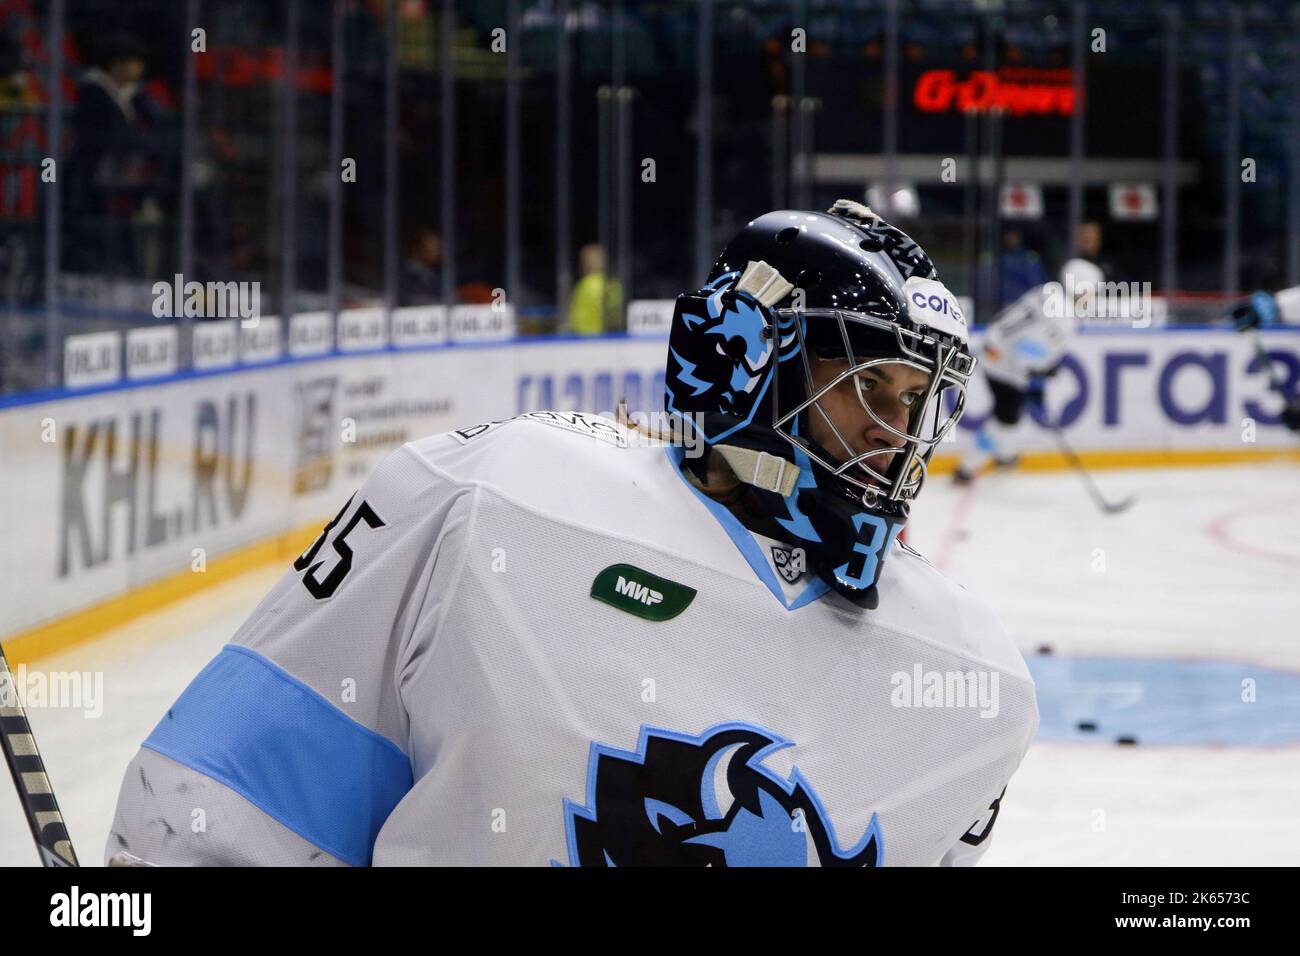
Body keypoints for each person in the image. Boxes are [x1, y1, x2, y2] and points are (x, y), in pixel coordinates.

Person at [105, 200, 1037, 867]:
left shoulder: (975, 684)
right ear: (745, 363)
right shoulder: (494, 500)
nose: (894, 433)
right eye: (866, 386)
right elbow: (239, 797)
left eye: (918, 402)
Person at [955, 258, 1102, 482]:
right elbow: (1030, 352)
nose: (1091, 298)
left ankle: (1004, 455)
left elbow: (1019, 326)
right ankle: (967, 468)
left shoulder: (1047, 292)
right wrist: (1040, 376)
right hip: (1008, 367)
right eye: (1091, 291)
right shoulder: (1064, 318)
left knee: (1009, 414)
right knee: (1007, 418)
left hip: (993, 351)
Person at [567, 243, 621, 335]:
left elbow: (574, 319)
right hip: (609, 337)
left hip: (585, 339)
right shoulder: (613, 284)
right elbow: (616, 315)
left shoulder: (584, 285)